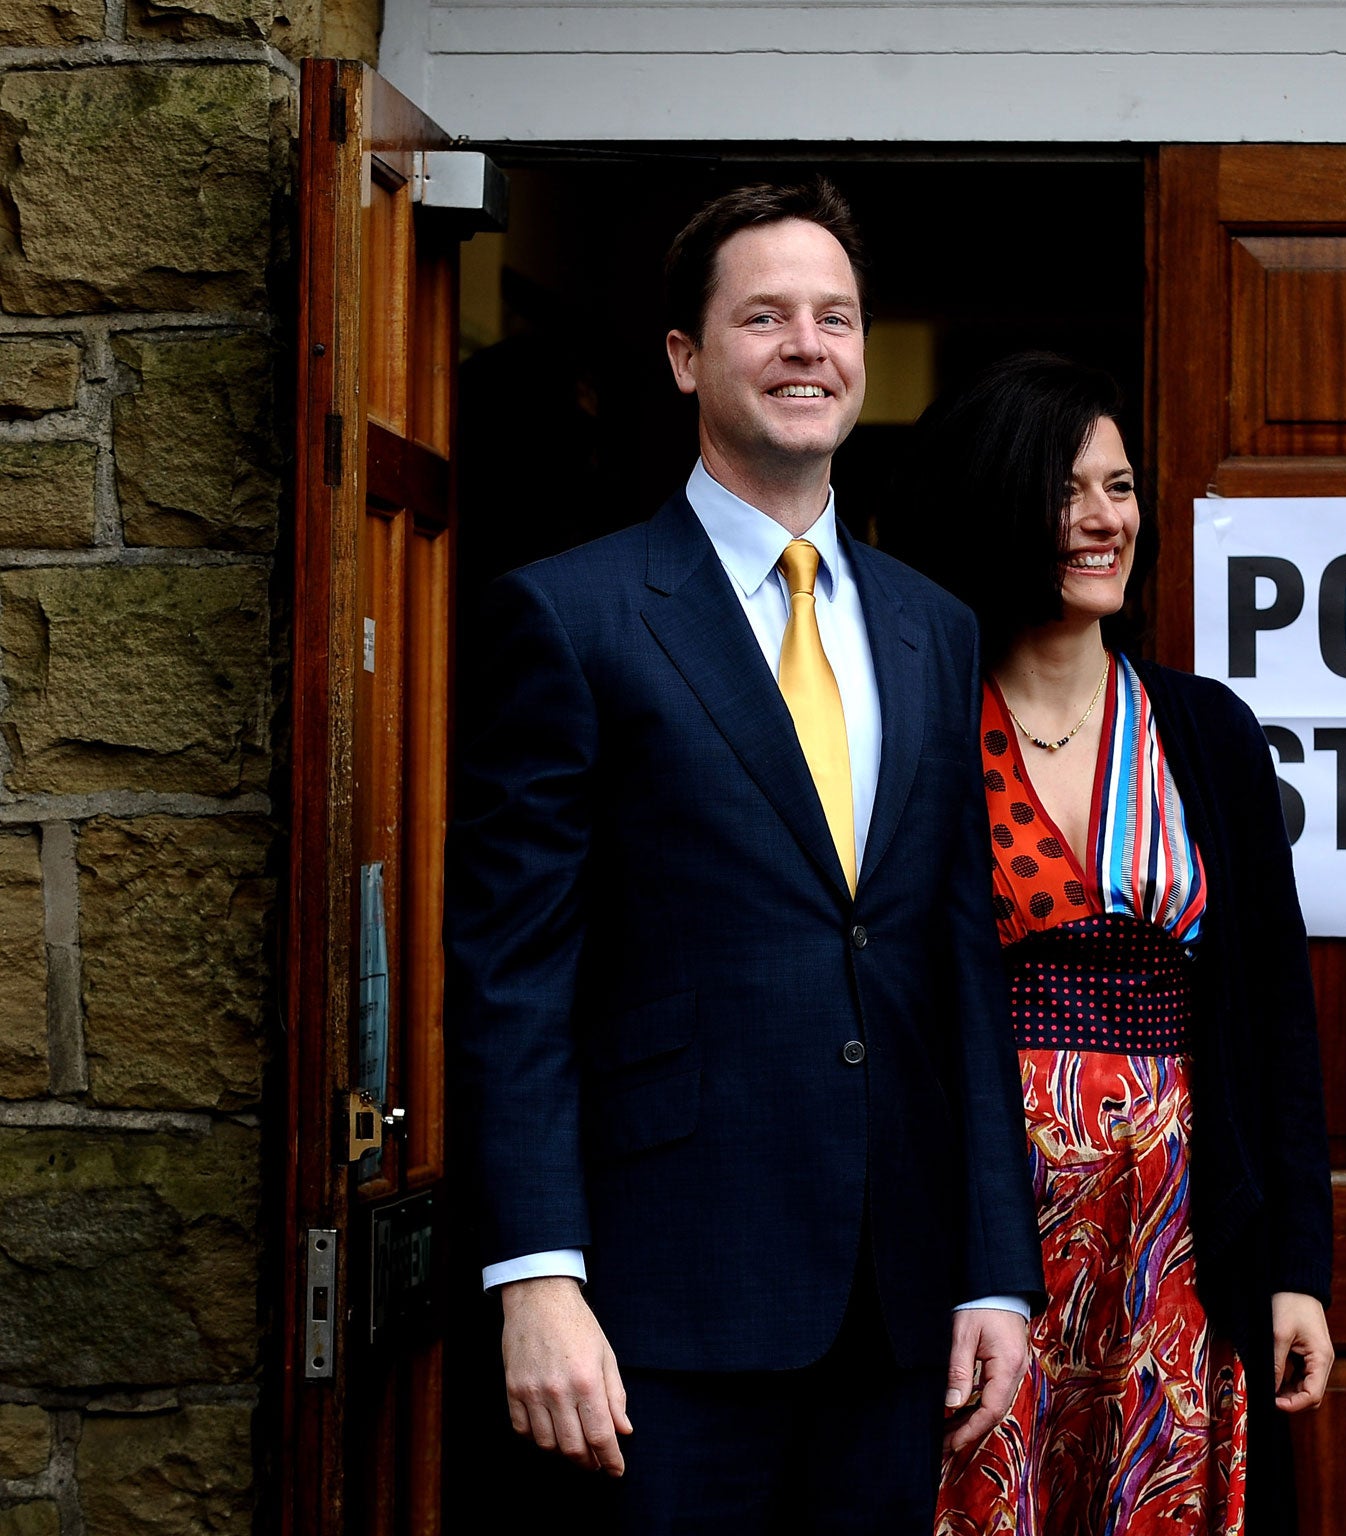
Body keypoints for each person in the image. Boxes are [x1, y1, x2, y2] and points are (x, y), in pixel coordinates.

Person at [444, 178, 1044, 1534]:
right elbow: (513, 974)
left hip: (895, 1313)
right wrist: (539, 1277)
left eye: (834, 318)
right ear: (684, 357)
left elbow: (957, 958)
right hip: (661, 1307)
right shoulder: (570, 615)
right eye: (763, 316)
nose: (806, 346)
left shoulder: (931, 628)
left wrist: (994, 1272)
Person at [912, 354, 1337, 1535]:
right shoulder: (920, 727)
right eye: (1065, 491)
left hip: (1178, 1232)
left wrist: (1298, 1263)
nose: (1104, 521)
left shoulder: (1205, 731)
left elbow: (1278, 1018)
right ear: (999, 501)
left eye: (1120, 486)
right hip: (980, 1220)